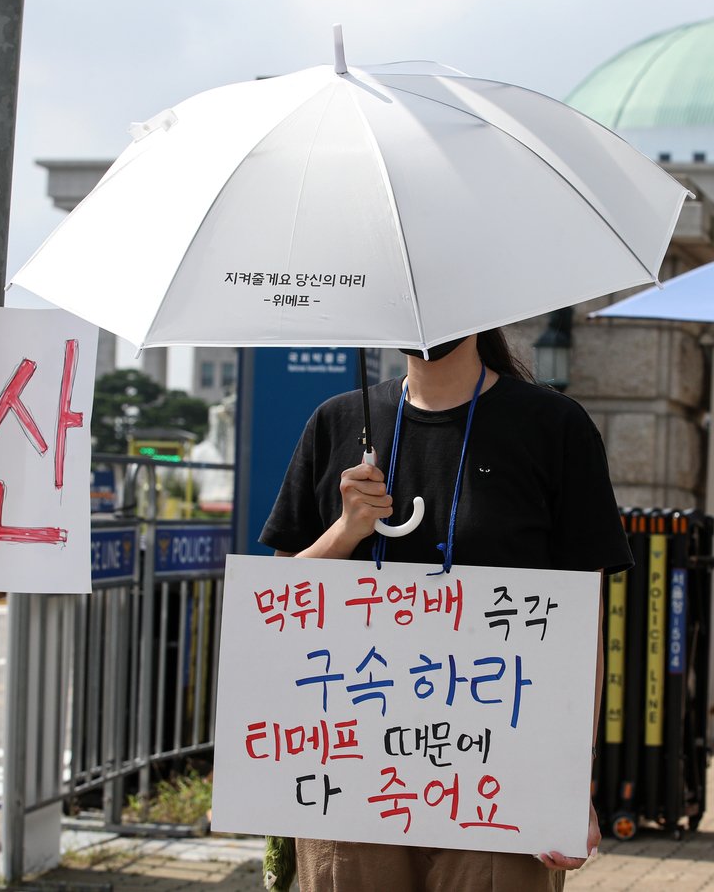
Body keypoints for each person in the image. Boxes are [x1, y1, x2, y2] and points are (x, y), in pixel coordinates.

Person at [260, 329, 632, 892]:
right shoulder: (335, 422)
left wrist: (571, 785)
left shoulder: (553, 426)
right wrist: (345, 530)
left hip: (500, 774)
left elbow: (581, 627)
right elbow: (277, 605)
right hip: (351, 768)